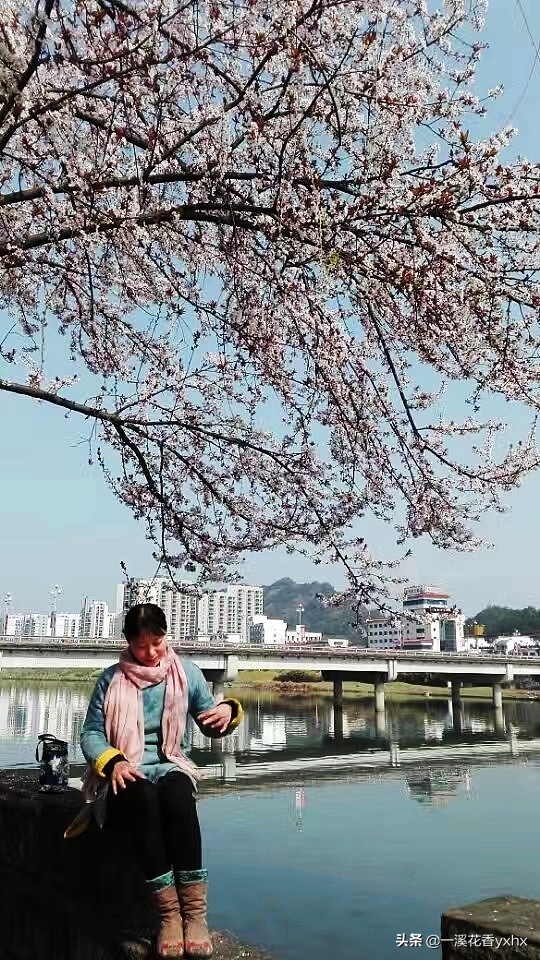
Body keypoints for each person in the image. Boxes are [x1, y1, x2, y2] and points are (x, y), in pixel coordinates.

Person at [79, 602, 243, 960]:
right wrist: (115, 761)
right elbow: (91, 733)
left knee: (178, 794)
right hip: (129, 770)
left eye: (157, 641)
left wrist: (227, 710)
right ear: (127, 642)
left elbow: (207, 719)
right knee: (143, 797)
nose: (151, 652)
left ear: (165, 636)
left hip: (171, 764)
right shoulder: (111, 679)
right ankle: (169, 917)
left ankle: (195, 916)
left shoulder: (185, 672)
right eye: (141, 645)